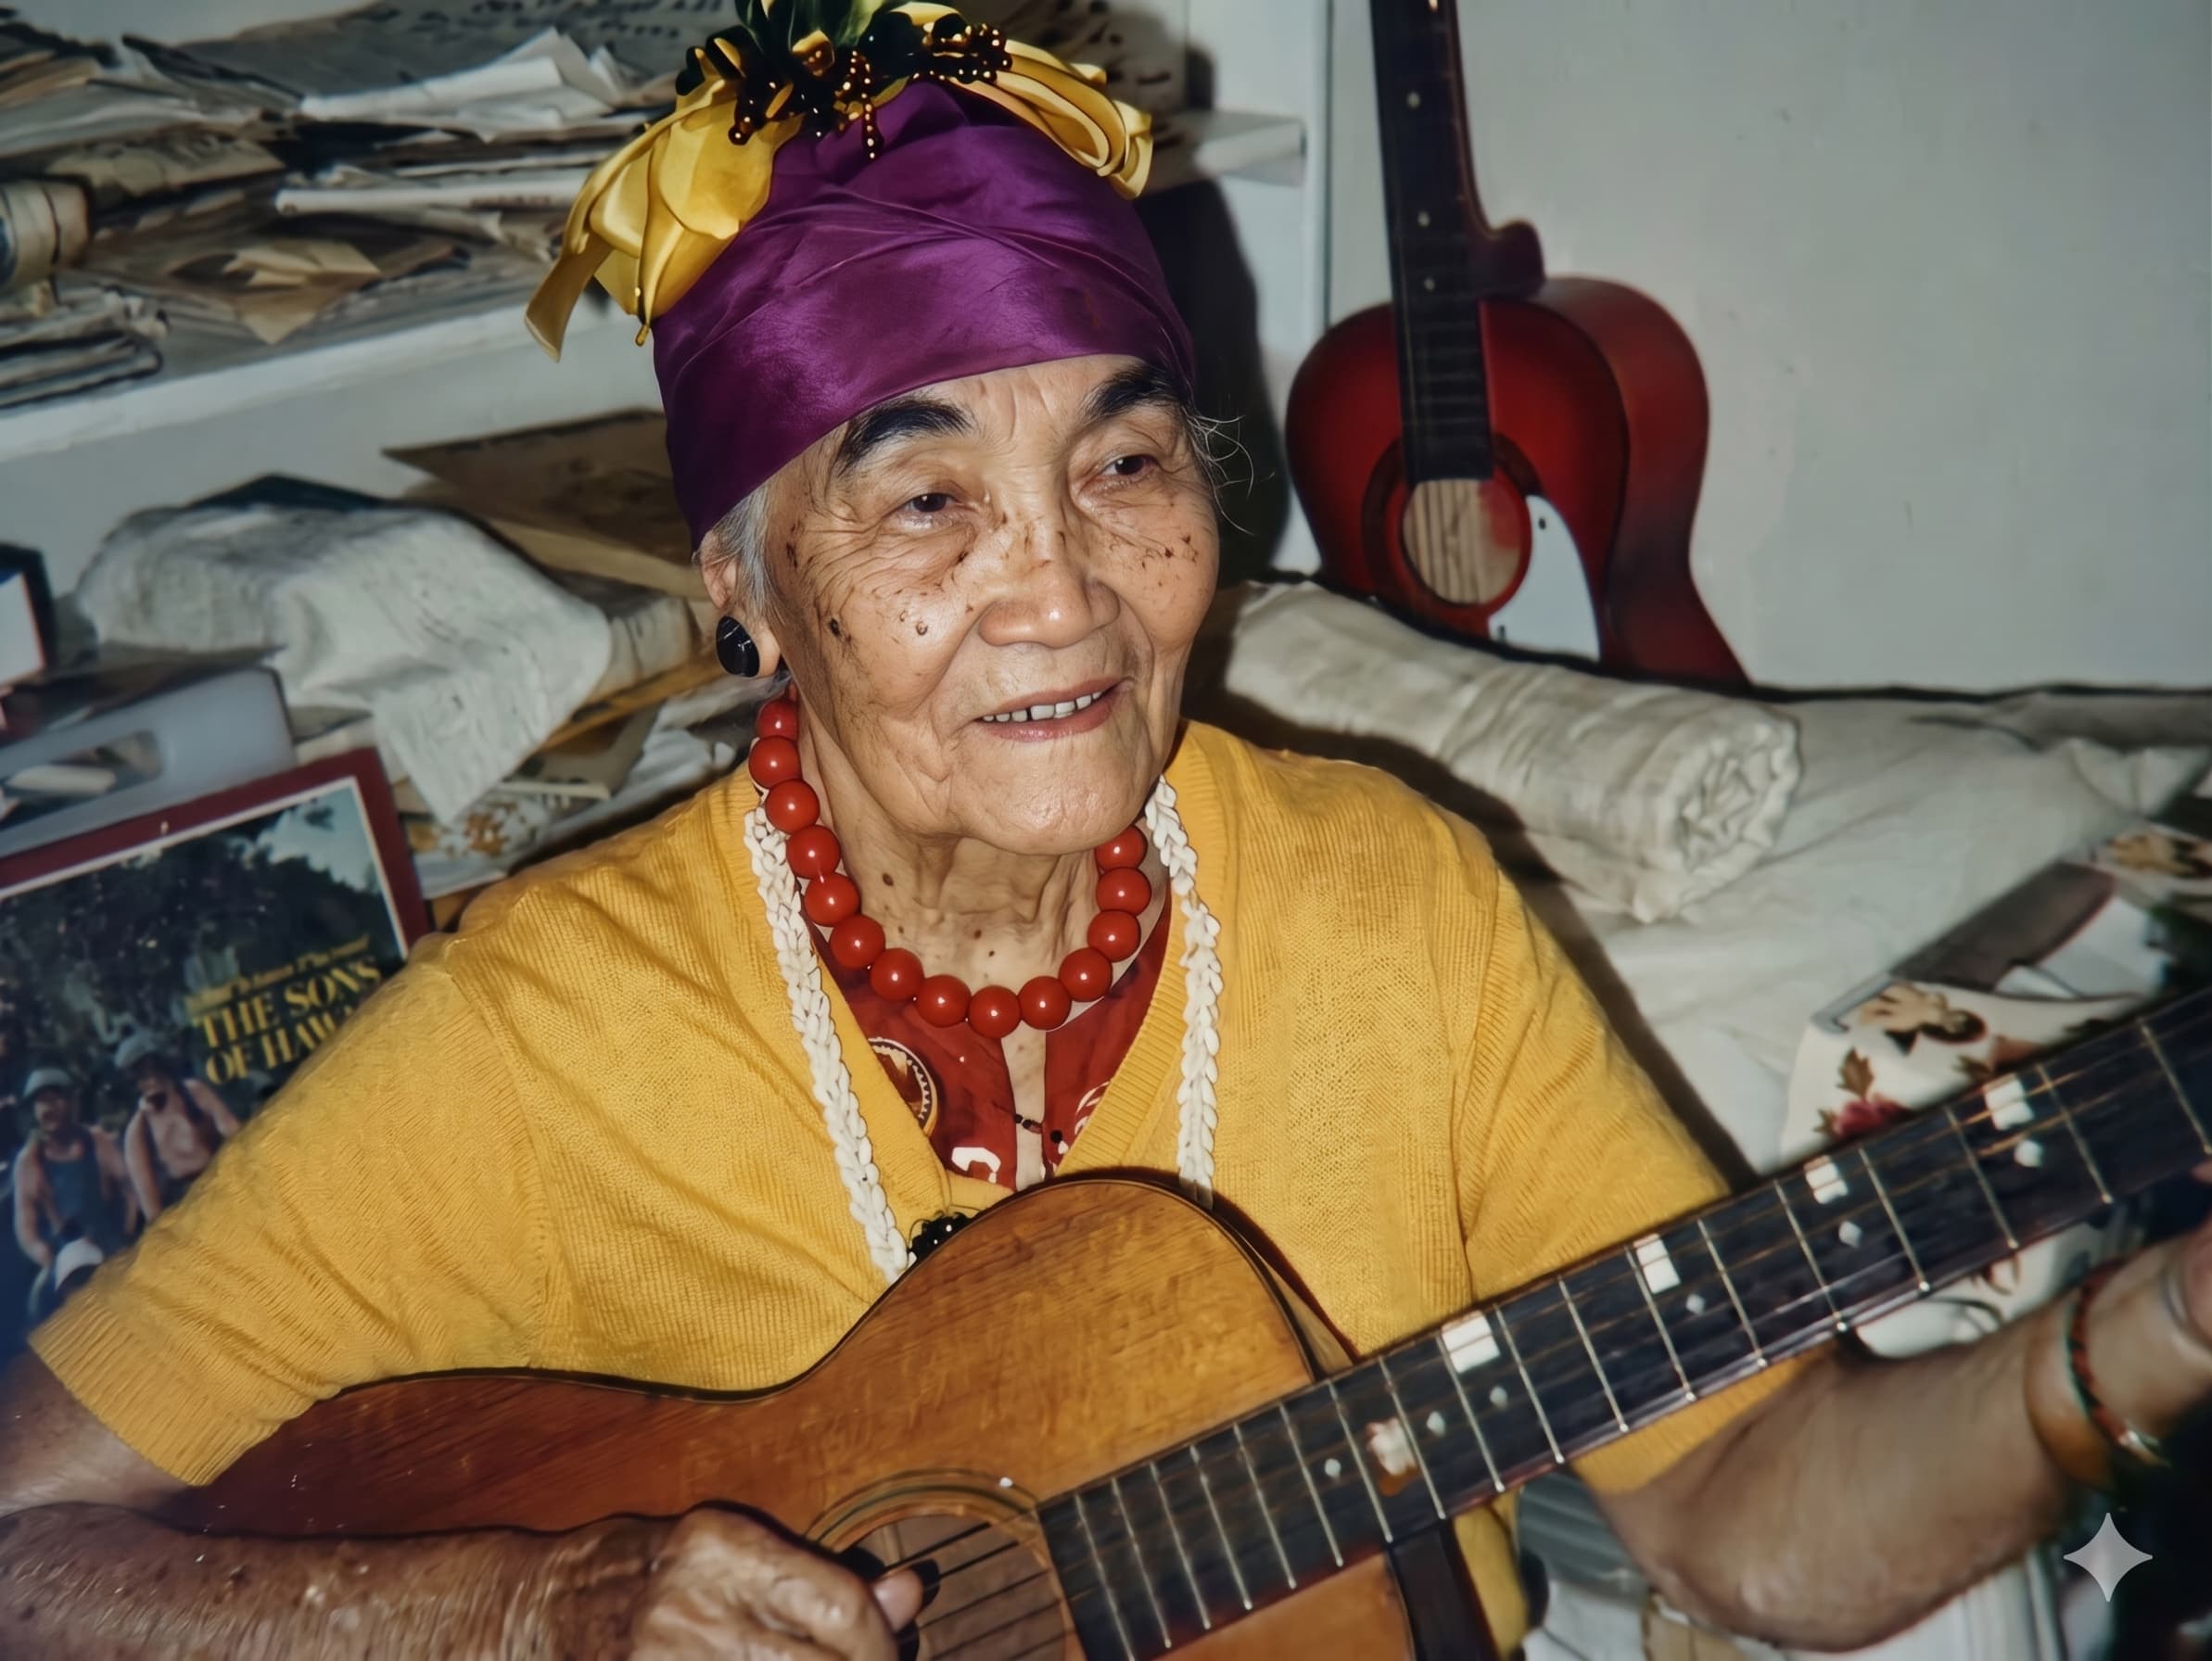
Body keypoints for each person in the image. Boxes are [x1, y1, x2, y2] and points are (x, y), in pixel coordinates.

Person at [3, 9, 2208, 1658]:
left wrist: (2131, 1343)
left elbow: (1736, 1500)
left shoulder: (1388, 909)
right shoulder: (548, 1026)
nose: (1056, 592)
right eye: (927, 499)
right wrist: (519, 1607)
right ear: (742, 586)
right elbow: (31, 1548)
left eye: (1124, 471)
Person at [11, 1068, 134, 1316]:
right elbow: (26, 1228)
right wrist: (46, 1257)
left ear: (71, 1101)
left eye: (55, 1098)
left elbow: (131, 1189)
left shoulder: (96, 1141)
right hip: (62, 1254)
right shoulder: (28, 1161)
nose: (49, 1108)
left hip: (109, 1241)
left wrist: (128, 1234)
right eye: (41, 1101)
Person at [113, 1033, 239, 1224]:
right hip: (189, 1210)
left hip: (226, 1183)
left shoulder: (194, 1093)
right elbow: (151, 1205)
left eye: (154, 1069)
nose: (151, 1079)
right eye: (141, 1075)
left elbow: (233, 1130)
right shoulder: (138, 1131)